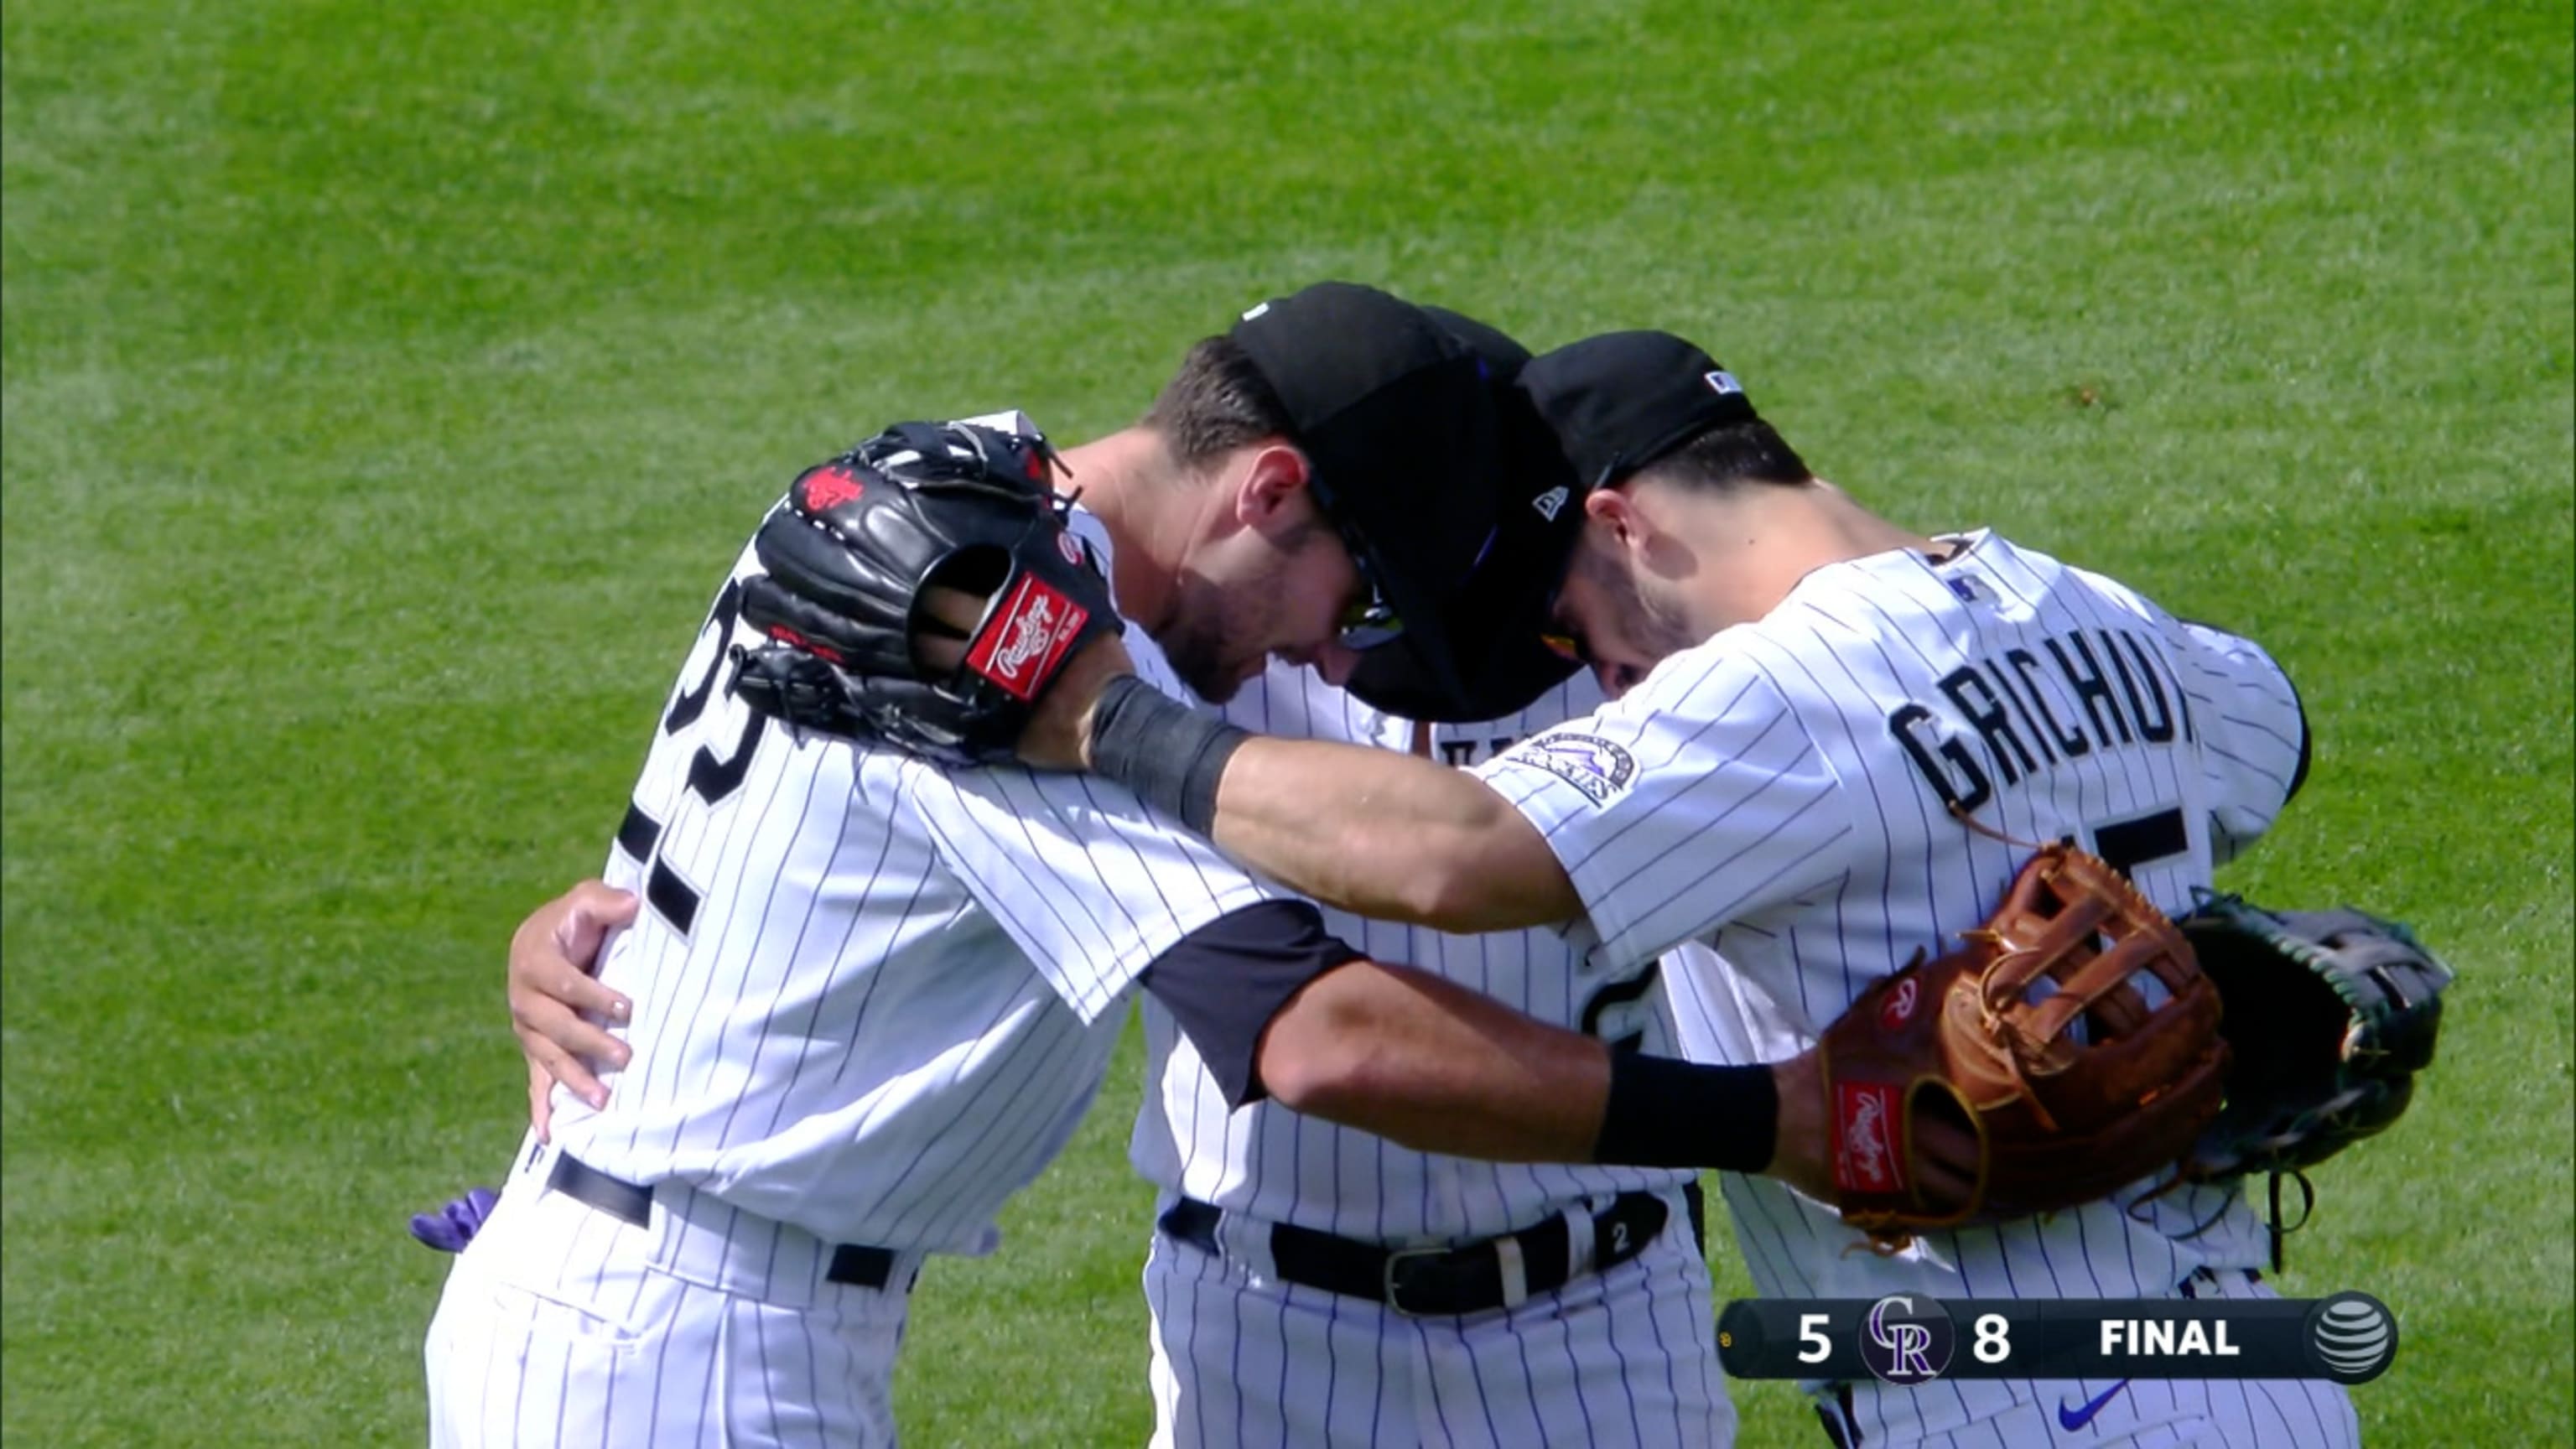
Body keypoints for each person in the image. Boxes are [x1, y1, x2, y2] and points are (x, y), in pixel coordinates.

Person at [426, 288, 1897, 1448]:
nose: (1340, 655)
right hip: (680, 1336)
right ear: (1266, 493)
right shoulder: (1010, 656)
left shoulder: (922, 500)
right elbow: (1319, 1037)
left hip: (662, 1299)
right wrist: (1769, 1119)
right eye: (1356, 595)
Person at [898, 330, 2359, 1448]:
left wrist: (1106, 714)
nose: (1600, 679)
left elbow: (1446, 856)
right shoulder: (2094, 612)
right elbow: (2275, 733)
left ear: (1626, 524)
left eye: (1572, 619)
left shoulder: (1780, 694)